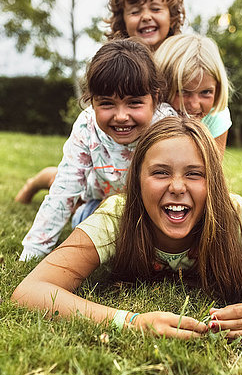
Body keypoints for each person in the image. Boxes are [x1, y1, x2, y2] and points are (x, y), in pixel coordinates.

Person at [12, 117, 242, 339]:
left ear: (213, 182)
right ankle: (40, 180)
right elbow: (30, 290)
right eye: (160, 172)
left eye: (195, 174)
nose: (176, 186)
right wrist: (129, 321)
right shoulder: (116, 217)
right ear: (136, 180)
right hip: (90, 202)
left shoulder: (235, 214)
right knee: (75, 193)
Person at [15, 0, 186, 205]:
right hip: (108, 167)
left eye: (155, 9)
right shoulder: (117, 62)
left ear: (172, 16)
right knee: (76, 193)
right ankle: (37, 182)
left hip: (151, 156)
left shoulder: (181, 62)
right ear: (123, 20)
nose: (146, 16)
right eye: (136, 11)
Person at [19, 38, 176, 261]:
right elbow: (64, 192)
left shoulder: (167, 127)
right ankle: (35, 183)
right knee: (70, 198)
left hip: (141, 207)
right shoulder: (87, 126)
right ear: (92, 103)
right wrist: (34, 251)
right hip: (95, 195)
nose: (121, 116)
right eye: (107, 104)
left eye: (134, 103)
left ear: (156, 98)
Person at [155, 34, 232, 155]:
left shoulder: (216, 116)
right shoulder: (149, 114)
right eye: (182, 91)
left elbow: (213, 170)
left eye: (206, 92)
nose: (194, 105)